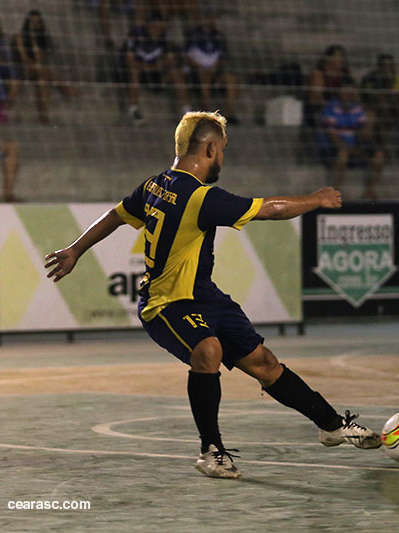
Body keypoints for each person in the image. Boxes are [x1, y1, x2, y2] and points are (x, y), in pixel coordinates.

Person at [43, 110, 381, 479]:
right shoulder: (200, 196)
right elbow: (270, 209)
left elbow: (117, 214)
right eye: (222, 149)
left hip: (205, 296)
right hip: (165, 303)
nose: (223, 157)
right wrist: (315, 199)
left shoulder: (157, 184)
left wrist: (76, 249)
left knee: (265, 362)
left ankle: (331, 425)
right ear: (210, 149)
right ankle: (211, 451)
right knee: (209, 350)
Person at [120, 10, 189, 126]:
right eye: (154, 26)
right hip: (139, 73)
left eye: (160, 26)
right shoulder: (136, 35)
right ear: (148, 24)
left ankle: (187, 111)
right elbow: (129, 60)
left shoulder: (164, 38)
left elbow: (170, 59)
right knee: (134, 72)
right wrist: (150, 66)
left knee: (177, 73)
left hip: (155, 74)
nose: (157, 29)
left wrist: (157, 66)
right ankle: (133, 110)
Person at [318, 80, 384, 200]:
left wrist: (370, 124)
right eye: (346, 91)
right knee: (343, 154)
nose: (349, 94)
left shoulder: (358, 109)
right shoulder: (330, 108)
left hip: (354, 149)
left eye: (352, 91)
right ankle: (336, 192)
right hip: (331, 149)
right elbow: (333, 137)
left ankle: (370, 190)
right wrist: (350, 150)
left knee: (378, 155)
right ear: (339, 92)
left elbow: (365, 137)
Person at [12, 10, 78, 124]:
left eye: (38, 22)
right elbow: (24, 58)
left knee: (42, 82)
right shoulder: (19, 37)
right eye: (33, 22)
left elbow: (39, 58)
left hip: (38, 70)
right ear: (28, 22)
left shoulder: (43, 39)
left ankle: (44, 116)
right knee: (39, 68)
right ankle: (64, 87)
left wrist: (34, 42)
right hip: (22, 69)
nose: (35, 24)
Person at [182, 8, 239, 123]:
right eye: (207, 17)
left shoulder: (219, 36)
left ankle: (230, 114)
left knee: (232, 79)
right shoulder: (192, 35)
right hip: (195, 73)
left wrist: (215, 68)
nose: (210, 20)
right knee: (204, 76)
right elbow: (185, 57)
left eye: (213, 17)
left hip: (214, 72)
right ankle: (207, 114)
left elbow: (225, 58)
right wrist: (199, 67)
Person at [360, 53, 399, 161]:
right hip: (373, 108)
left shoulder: (396, 78)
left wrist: (389, 84)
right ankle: (384, 150)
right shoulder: (369, 78)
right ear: (379, 67)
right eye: (386, 66)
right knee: (381, 106)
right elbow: (370, 97)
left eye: (392, 66)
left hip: (392, 107)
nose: (390, 69)